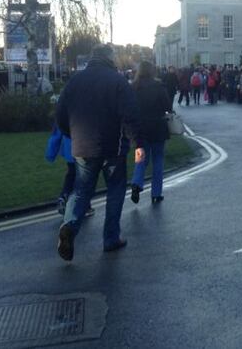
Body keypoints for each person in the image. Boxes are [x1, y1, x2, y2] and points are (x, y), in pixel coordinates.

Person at [55, 44, 144, 261]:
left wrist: (72, 134)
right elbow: (130, 115)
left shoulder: (74, 81)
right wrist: (138, 143)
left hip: (82, 146)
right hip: (112, 148)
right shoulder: (118, 81)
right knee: (115, 190)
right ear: (109, 58)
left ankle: (69, 226)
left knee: (81, 190)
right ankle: (111, 238)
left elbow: (60, 114)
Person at [129, 61, 172, 205]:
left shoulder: (133, 87)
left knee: (140, 157)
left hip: (140, 129)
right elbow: (167, 105)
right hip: (157, 126)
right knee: (158, 160)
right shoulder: (158, 86)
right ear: (152, 71)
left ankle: (136, 182)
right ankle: (156, 193)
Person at [45, 125, 94, 218]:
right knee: (84, 179)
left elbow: (56, 134)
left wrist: (50, 154)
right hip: (85, 149)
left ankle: (64, 195)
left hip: (70, 150)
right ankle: (84, 206)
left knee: (71, 175)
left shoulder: (64, 110)